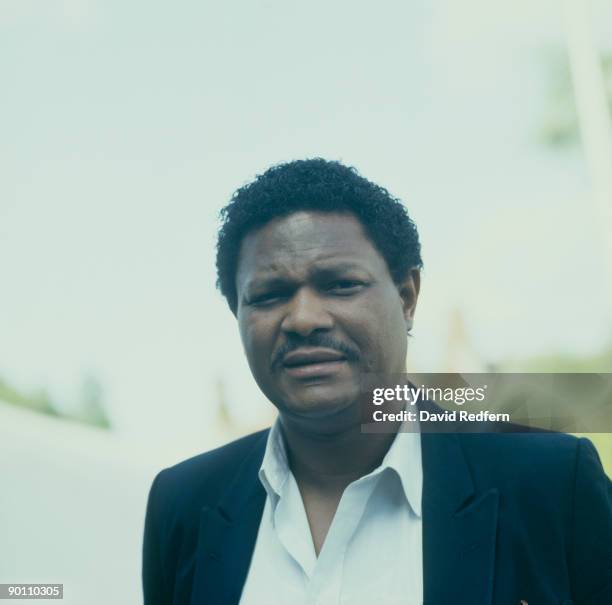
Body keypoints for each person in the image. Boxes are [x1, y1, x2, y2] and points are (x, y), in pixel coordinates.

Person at [142, 159, 612, 605]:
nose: (303, 318)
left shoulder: (549, 484)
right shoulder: (185, 505)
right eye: (269, 295)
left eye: (341, 284)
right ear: (237, 314)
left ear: (407, 297)